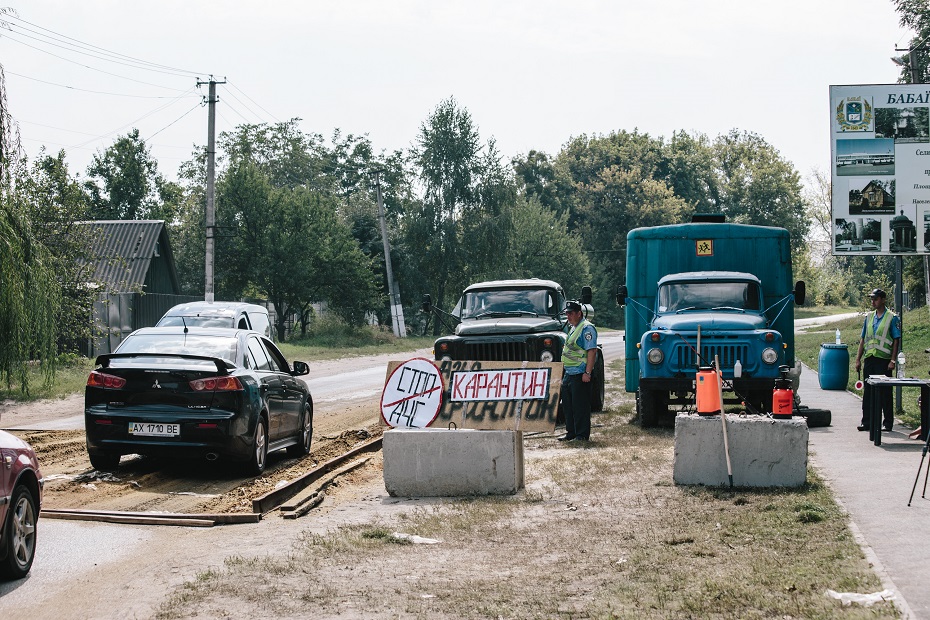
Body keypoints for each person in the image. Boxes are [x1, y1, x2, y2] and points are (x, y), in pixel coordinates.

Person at [854, 288, 902, 432]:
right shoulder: (868, 317)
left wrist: (893, 360)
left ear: (882, 300)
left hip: (884, 360)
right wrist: (858, 359)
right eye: (872, 299)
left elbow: (896, 340)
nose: (873, 302)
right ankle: (867, 422)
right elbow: (863, 339)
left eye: (875, 299)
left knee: (885, 393)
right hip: (870, 358)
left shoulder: (892, 317)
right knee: (868, 391)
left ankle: (887, 423)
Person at [558, 300, 598, 442]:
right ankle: (571, 433)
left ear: (579, 313)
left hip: (581, 373)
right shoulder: (574, 327)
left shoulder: (587, 328)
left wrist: (587, 373)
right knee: (568, 406)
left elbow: (592, 351)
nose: (568, 316)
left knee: (580, 406)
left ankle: (581, 435)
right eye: (567, 314)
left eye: (571, 314)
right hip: (570, 373)